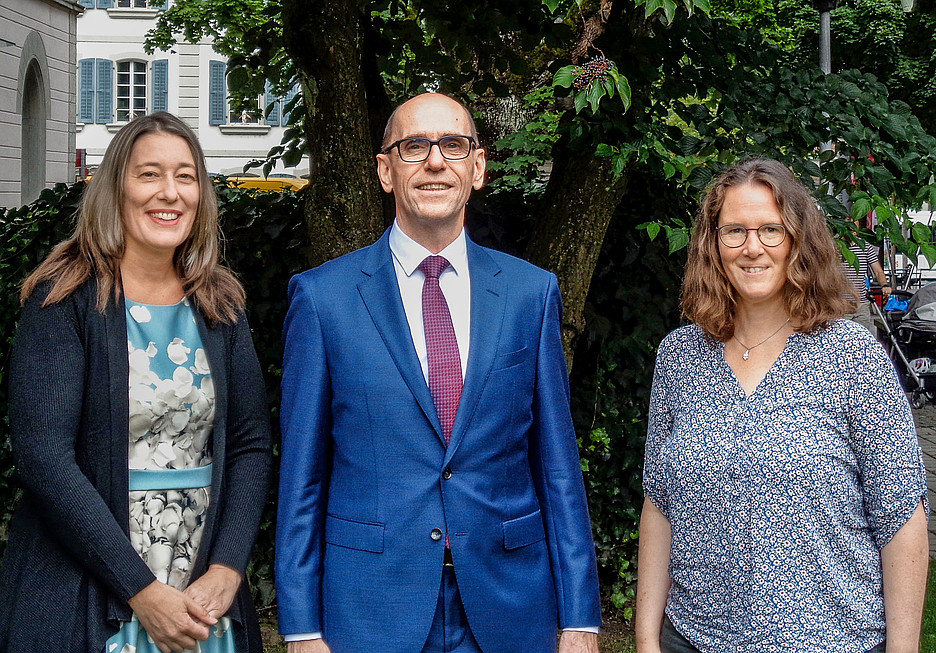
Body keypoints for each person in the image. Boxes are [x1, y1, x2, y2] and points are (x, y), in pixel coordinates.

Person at [276, 92, 602, 653]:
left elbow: (557, 469)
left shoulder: (531, 293)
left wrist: (581, 618)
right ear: (385, 170)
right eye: (414, 147)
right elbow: (303, 478)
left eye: (453, 145)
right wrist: (301, 626)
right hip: (372, 609)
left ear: (477, 167)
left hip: (508, 607)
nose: (434, 161)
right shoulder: (323, 299)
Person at [0, 112, 272, 653]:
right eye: (149, 174)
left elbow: (249, 446)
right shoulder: (64, 298)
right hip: (90, 577)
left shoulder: (220, 305)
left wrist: (227, 567)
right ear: (115, 187)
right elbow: (43, 457)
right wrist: (142, 591)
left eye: (186, 176)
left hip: (202, 589)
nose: (169, 193)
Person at [635, 158, 928, 653]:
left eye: (771, 230)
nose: (753, 248)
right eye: (735, 231)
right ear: (713, 244)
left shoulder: (852, 356)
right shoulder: (680, 355)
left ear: (798, 240)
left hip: (831, 641)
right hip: (695, 638)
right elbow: (658, 504)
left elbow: (902, 518)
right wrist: (645, 640)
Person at [842, 235, 891, 333]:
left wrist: (885, 285)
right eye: (847, 219)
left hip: (862, 304)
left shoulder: (864, 245)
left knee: (862, 339)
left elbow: (878, 271)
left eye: (854, 220)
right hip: (841, 304)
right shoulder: (835, 245)